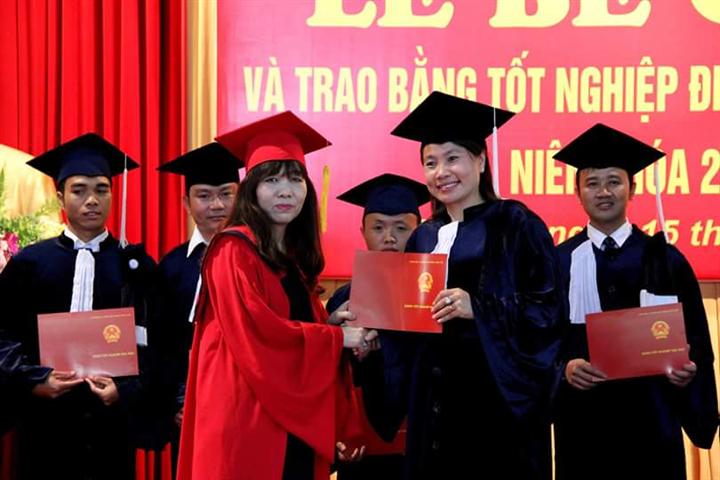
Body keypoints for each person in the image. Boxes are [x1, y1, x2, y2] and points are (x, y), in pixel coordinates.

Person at [361, 91, 567, 480]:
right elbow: (410, 325)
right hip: (432, 405)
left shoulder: (516, 224)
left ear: (480, 161)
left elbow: (549, 312)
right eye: (431, 162)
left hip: (494, 406)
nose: (442, 172)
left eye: (453, 158)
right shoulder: (423, 237)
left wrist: (480, 307)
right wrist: (377, 334)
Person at [176, 111, 373, 480]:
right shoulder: (232, 250)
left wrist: (328, 323)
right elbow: (260, 334)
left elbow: (290, 323)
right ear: (251, 189)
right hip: (247, 417)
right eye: (272, 180)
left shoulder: (291, 257)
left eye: (295, 179)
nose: (286, 190)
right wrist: (336, 338)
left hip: (287, 417)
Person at [551, 123, 718, 480]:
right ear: (577, 192)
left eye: (614, 181)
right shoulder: (558, 262)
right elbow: (537, 343)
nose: (603, 192)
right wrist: (563, 369)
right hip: (583, 429)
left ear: (632, 188)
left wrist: (687, 372)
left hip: (652, 427)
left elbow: (698, 344)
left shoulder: (665, 260)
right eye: (592, 183)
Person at [0, 133, 156, 479]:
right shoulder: (30, 263)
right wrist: (33, 380)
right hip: (44, 421)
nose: (92, 200)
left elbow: (156, 343)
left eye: (102, 190)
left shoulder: (135, 267)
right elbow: (3, 333)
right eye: (79, 190)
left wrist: (124, 391)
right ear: (60, 196)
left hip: (110, 425)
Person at [327, 173, 430, 480]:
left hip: (422, 444)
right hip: (362, 448)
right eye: (378, 227)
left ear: (419, 230)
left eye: (401, 228)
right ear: (363, 232)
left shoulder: (434, 295)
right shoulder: (343, 301)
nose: (389, 237)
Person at [150, 142, 242, 469]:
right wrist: (174, 403)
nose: (216, 205)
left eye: (226, 194)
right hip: (188, 410)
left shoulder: (262, 260)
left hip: (248, 407)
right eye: (204, 195)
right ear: (186, 203)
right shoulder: (170, 268)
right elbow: (162, 345)